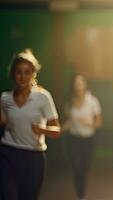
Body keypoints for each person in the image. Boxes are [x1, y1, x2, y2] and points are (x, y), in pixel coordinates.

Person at [0, 49, 61, 200]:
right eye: (19, 72)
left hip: (33, 157)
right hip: (8, 153)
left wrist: (42, 129)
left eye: (27, 72)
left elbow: (57, 130)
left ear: (33, 74)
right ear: (13, 74)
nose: (22, 76)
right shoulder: (4, 98)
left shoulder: (43, 97)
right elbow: (3, 122)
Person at [62, 74, 102, 200]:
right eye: (75, 84)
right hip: (73, 140)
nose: (78, 86)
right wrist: (59, 129)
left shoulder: (93, 101)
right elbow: (69, 121)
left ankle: (81, 192)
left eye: (80, 83)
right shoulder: (69, 102)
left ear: (85, 84)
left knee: (84, 168)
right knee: (77, 168)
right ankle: (81, 196)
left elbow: (99, 122)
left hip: (88, 140)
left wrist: (88, 122)